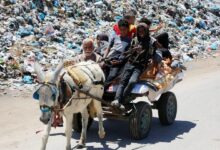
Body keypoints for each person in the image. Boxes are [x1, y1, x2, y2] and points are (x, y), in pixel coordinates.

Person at [112, 23, 155, 108]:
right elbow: (127, 52)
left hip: (139, 66)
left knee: (132, 81)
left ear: (146, 31)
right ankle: (117, 100)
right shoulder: (135, 40)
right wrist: (133, 49)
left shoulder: (151, 42)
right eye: (139, 31)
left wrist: (150, 61)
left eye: (143, 31)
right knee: (123, 81)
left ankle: (123, 100)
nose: (141, 33)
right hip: (130, 63)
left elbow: (152, 54)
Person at [103, 19, 132, 88]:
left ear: (128, 29)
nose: (122, 32)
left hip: (119, 59)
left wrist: (118, 62)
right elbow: (108, 48)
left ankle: (103, 88)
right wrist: (104, 57)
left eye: (124, 30)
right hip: (110, 57)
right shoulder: (115, 37)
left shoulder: (130, 40)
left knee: (112, 75)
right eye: (121, 29)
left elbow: (126, 54)